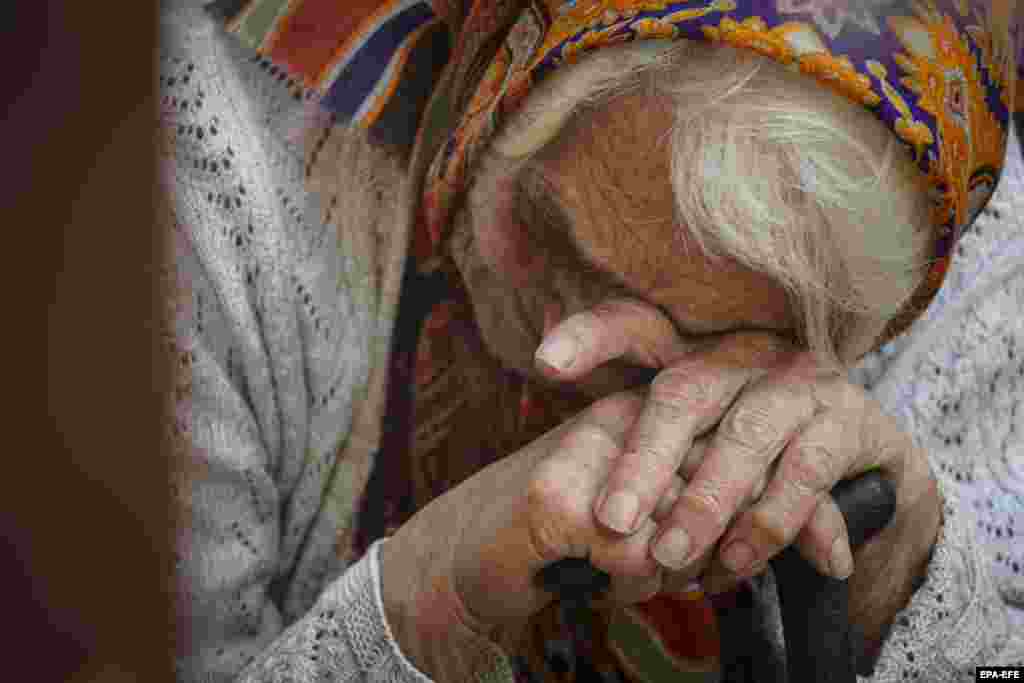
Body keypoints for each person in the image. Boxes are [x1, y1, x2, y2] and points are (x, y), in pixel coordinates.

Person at [163, 0, 1024, 681]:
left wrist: (906, 567)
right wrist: (431, 597)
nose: (557, 347)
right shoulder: (198, 167)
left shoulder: (971, 249)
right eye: (553, 235)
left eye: (715, 338)